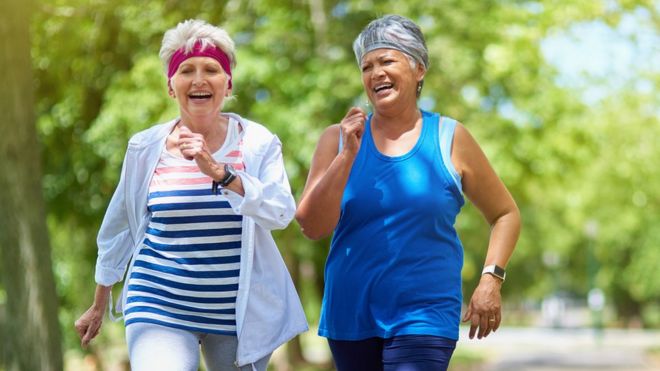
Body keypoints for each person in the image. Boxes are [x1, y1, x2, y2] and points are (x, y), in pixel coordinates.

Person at [74, 19, 307, 371]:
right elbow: (118, 227)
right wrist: (98, 303)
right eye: (186, 70)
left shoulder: (257, 143)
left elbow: (280, 213)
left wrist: (223, 174)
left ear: (228, 85)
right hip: (158, 303)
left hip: (237, 312)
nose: (199, 79)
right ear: (171, 87)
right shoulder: (144, 147)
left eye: (211, 69)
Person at [296, 14, 521, 371]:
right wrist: (347, 156)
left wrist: (491, 279)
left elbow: (505, 214)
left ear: (418, 70)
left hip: (425, 314)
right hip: (350, 314)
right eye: (367, 66)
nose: (376, 73)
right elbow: (312, 226)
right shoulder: (337, 139)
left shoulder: (450, 137)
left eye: (387, 60)